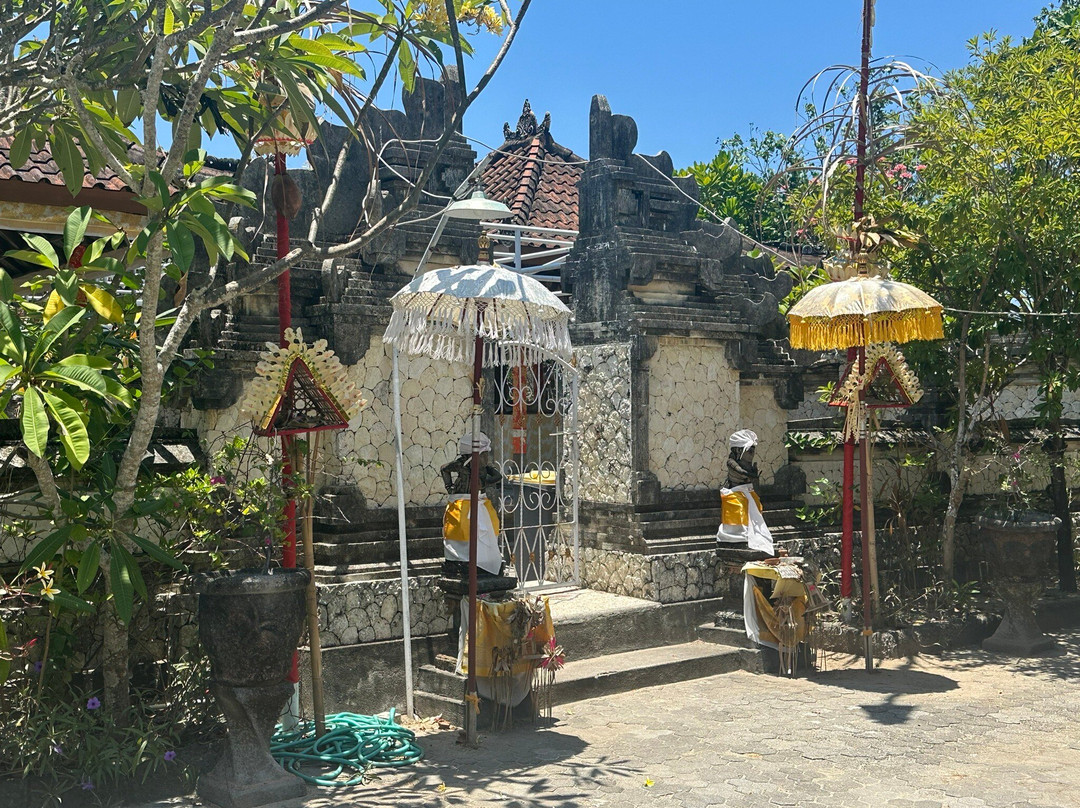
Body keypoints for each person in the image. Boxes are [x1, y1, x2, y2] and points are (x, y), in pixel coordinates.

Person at [440, 432, 505, 577]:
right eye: (484, 454)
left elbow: (498, 477)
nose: (486, 458)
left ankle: (486, 560)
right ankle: (460, 560)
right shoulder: (460, 465)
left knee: (492, 524)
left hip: (480, 501)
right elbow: (444, 469)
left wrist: (485, 482)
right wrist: (449, 487)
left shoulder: (484, 468)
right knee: (462, 528)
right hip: (461, 502)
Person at [716, 429, 775, 556]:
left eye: (753, 451)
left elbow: (754, 484)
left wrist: (755, 477)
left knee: (756, 504)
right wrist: (749, 474)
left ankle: (752, 535)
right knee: (739, 506)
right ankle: (735, 538)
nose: (751, 455)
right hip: (733, 491)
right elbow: (739, 471)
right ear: (738, 450)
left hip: (747, 491)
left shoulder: (749, 465)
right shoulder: (732, 462)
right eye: (749, 451)